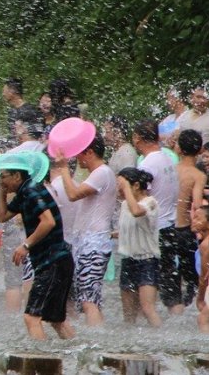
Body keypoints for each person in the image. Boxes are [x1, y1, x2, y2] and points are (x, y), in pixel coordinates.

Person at [0, 151, 75, 340]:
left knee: (31, 317)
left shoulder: (31, 191)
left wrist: (25, 245)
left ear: (17, 176)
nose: (0, 180)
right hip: (58, 261)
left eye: (3, 176)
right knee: (56, 320)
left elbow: (48, 221)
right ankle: (79, 351)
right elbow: (2, 216)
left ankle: (40, 356)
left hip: (52, 262)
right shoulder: (24, 192)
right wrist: (2, 190)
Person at [51, 135, 118, 327]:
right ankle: (97, 335)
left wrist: (63, 168)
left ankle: (96, 339)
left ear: (89, 152)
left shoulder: (101, 173)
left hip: (94, 244)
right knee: (89, 299)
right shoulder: (99, 174)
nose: (76, 158)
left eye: (79, 153)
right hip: (88, 243)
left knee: (89, 301)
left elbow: (73, 195)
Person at [132, 120, 183, 314]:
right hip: (170, 225)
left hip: (154, 230)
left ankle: (152, 323)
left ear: (137, 138)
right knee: (170, 283)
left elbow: (140, 198)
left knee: (147, 282)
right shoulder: (167, 158)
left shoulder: (147, 164)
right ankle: (177, 322)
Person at [115, 167, 162, 327]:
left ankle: (160, 337)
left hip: (147, 261)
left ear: (135, 185)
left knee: (147, 308)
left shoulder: (150, 202)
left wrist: (126, 188)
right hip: (128, 260)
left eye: (121, 185)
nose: (119, 189)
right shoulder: (124, 205)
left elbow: (136, 212)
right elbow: (130, 227)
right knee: (128, 314)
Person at [172, 130, 205, 310]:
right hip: (185, 229)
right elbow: (197, 205)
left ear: (179, 148)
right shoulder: (198, 175)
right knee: (191, 278)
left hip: (167, 229)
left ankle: (173, 309)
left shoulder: (171, 169)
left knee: (170, 276)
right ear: (200, 150)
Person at [193, 205, 209, 333]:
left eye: (198, 218)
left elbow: (203, 277)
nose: (193, 221)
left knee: (203, 319)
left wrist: (200, 298)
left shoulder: (205, 245)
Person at [2, 77, 29, 148]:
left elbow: (34, 138)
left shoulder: (29, 111)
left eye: (4, 91)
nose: (3, 94)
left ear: (12, 91)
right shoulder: (12, 111)